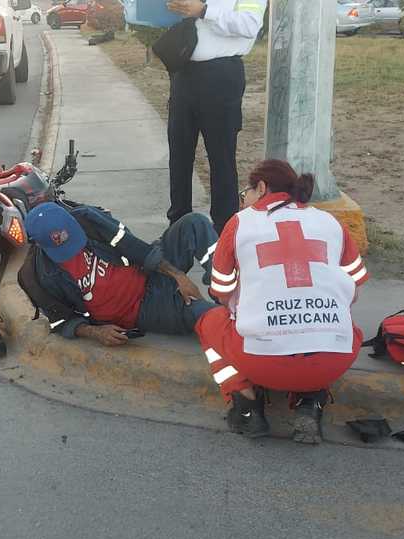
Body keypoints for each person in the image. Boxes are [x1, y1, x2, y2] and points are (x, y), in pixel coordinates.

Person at [195, 159, 368, 444]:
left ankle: (246, 405)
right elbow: (355, 289)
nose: (243, 200)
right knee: (343, 328)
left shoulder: (240, 223)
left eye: (246, 193)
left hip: (261, 362)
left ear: (262, 188)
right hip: (333, 360)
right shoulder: (330, 222)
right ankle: (310, 403)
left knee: (208, 322)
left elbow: (221, 291)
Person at [24, 203, 218, 346]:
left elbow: (133, 247)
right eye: (64, 250)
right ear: (38, 244)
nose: (73, 250)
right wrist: (94, 332)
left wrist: (178, 276)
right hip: (144, 309)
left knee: (195, 223)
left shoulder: (86, 218)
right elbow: (61, 321)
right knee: (212, 317)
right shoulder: (35, 277)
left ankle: (225, 291)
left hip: (147, 271)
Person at [164, 0, 266, 232]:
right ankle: (177, 228)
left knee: (221, 157)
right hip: (184, 73)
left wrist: (204, 11)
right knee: (179, 156)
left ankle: (224, 230)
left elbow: (249, 25)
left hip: (221, 75)